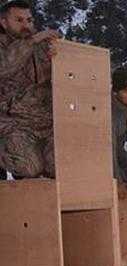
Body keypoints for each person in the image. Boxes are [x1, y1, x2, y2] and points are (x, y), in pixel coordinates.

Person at [0, 0, 61, 179]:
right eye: (19, 20)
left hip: (45, 123)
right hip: (12, 123)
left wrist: (57, 59)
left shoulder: (41, 47)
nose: (26, 25)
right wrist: (33, 40)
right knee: (30, 169)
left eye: (29, 20)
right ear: (4, 22)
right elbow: (4, 67)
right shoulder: (13, 46)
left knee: (61, 166)